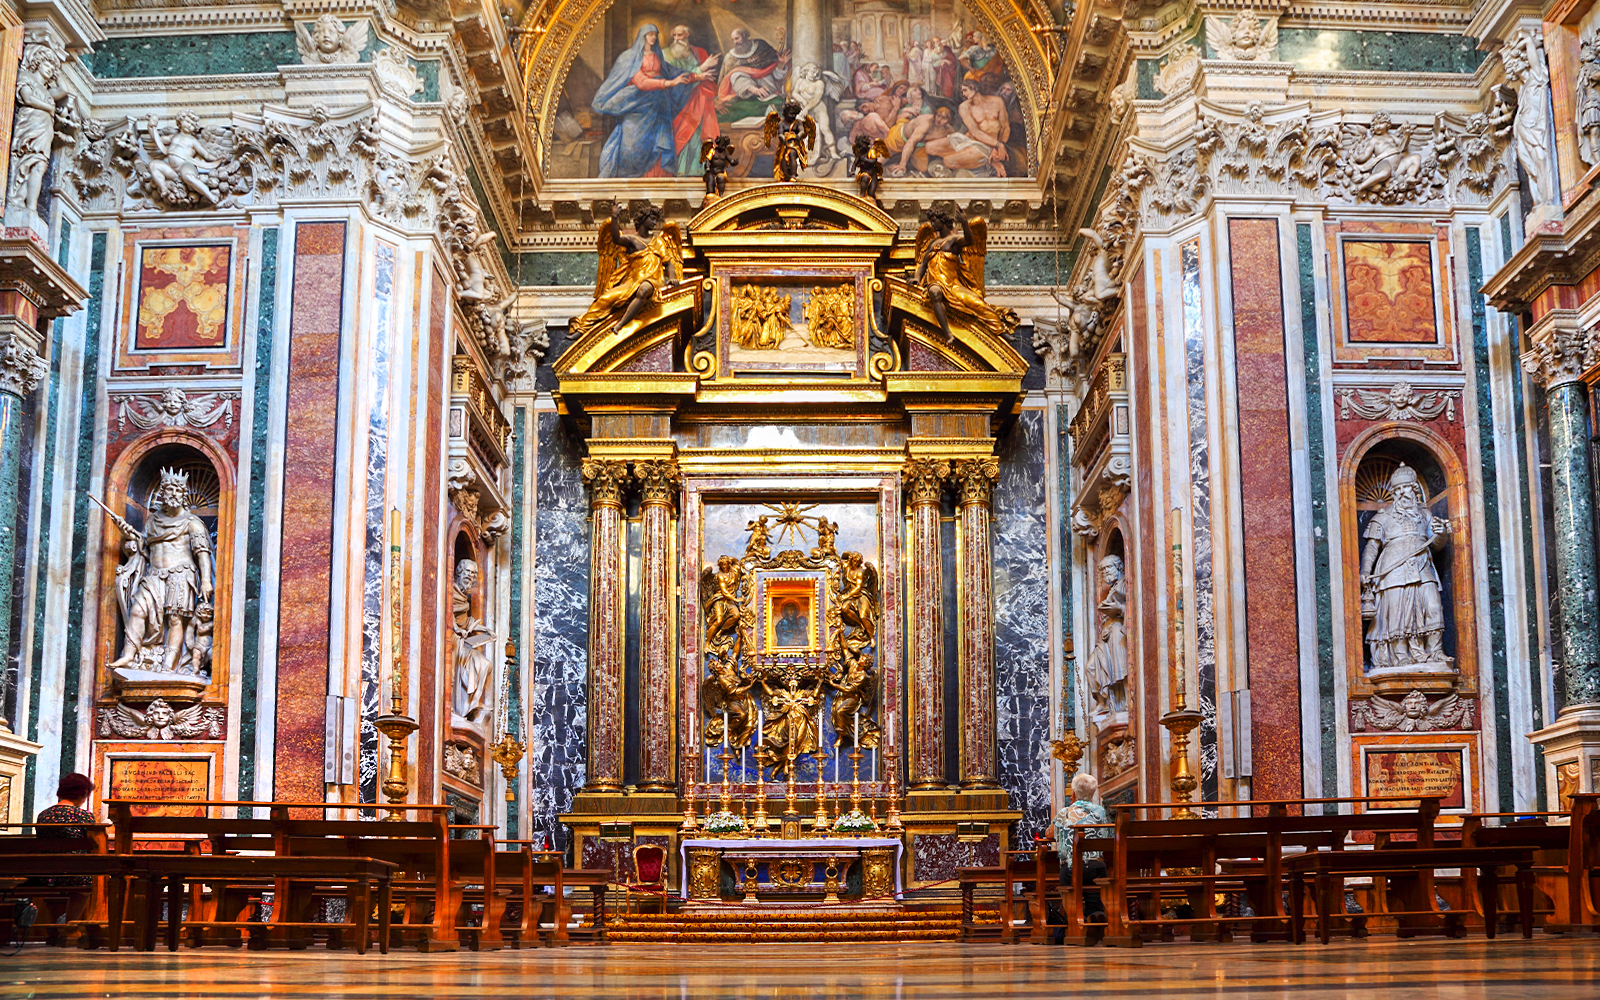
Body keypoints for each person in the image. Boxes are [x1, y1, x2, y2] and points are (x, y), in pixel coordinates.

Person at [592, 24, 708, 178]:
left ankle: (656, 181)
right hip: (636, 105)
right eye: (650, 34)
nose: (653, 37)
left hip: (658, 107)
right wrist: (668, 83)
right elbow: (641, 83)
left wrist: (694, 77)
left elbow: (672, 72)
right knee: (632, 145)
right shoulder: (630, 58)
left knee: (659, 144)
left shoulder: (657, 55)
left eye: (655, 34)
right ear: (643, 36)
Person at [28, 773, 97, 942]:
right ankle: (70, 925)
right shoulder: (84, 816)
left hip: (45, 875)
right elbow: (94, 845)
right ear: (82, 794)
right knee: (86, 884)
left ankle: (54, 926)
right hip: (75, 875)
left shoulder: (44, 815)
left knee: (62, 880)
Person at [1042, 772, 1110, 942]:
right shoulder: (1101, 812)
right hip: (1096, 865)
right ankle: (1095, 915)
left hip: (1071, 867)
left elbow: (1049, 833)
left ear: (1073, 793)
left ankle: (1074, 922)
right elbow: (1107, 834)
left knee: (1070, 896)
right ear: (1093, 793)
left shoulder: (1065, 813)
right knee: (1094, 896)